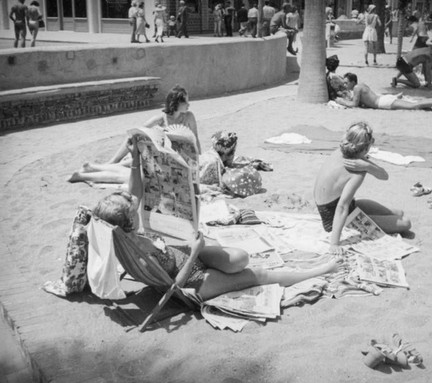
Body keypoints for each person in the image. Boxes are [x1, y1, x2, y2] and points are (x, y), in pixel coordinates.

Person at [91, 138, 342, 301]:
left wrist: (135, 159)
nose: (134, 201)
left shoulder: (121, 237)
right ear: (129, 221)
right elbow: (175, 286)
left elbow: (135, 192)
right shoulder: (140, 255)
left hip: (186, 254)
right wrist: (194, 252)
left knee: (240, 258)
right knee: (260, 274)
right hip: (195, 281)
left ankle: (216, 256)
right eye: (132, 207)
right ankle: (320, 270)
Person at [68, 85, 201, 184]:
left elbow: (196, 139)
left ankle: (90, 168)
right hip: (159, 160)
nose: (189, 105)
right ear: (176, 103)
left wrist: (199, 159)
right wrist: (120, 156)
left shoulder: (189, 117)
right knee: (124, 172)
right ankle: (95, 168)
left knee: (124, 171)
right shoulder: (160, 119)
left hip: (178, 161)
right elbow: (134, 133)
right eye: (186, 102)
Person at [313, 122, 411, 255]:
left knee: (399, 213)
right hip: (335, 217)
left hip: (332, 206)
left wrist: (368, 166)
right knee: (405, 223)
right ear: (365, 149)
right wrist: (334, 243)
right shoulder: (357, 172)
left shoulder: (341, 152)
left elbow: (384, 176)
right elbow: (342, 207)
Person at [336, 73, 432, 111]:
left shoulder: (357, 88)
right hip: (383, 99)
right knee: (415, 104)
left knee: (414, 106)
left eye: (346, 83)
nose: (345, 85)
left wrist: (341, 101)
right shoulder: (360, 86)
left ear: (352, 82)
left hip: (384, 103)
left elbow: (354, 104)